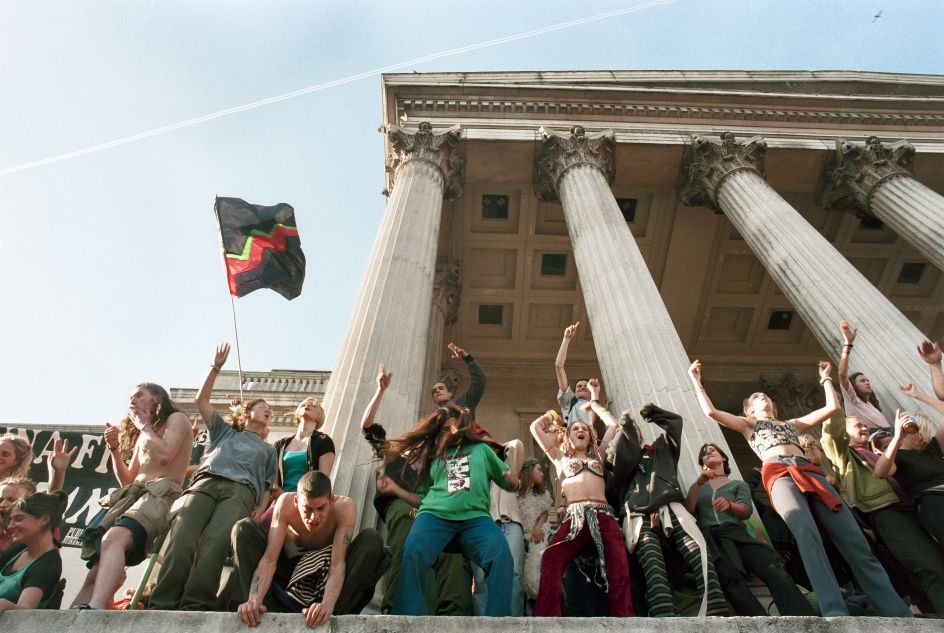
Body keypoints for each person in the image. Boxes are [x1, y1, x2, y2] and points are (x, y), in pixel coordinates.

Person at [688, 358, 912, 617]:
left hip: (809, 470)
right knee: (807, 537)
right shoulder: (749, 425)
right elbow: (712, 413)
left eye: (764, 394)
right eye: (755, 396)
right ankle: (834, 611)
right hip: (778, 472)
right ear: (748, 410)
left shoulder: (791, 424)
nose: (762, 395)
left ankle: (895, 610)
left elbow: (831, 407)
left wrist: (826, 378)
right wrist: (696, 381)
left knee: (853, 539)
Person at [149, 343, 277, 611]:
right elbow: (201, 401)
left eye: (270, 410)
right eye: (263, 406)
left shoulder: (268, 449)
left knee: (215, 546)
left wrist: (260, 508)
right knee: (182, 537)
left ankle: (196, 604)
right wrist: (215, 368)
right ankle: (161, 602)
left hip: (240, 493)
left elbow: (267, 485)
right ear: (248, 411)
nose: (268, 410)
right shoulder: (225, 431)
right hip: (205, 483)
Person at [382, 404, 519, 617]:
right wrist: (396, 490)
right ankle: (405, 617)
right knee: (413, 551)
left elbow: (509, 483)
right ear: (439, 433)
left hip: (475, 519)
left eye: (457, 427)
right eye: (447, 428)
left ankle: (498, 622)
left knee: (501, 557)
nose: (453, 431)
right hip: (435, 516)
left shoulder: (482, 450)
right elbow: (422, 498)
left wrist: (513, 481)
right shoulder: (433, 458)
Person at [361, 364, 470, 615]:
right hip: (401, 509)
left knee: (451, 549)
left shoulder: (435, 464)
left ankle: (451, 612)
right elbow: (367, 426)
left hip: (429, 508)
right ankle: (394, 607)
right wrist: (380, 391)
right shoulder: (392, 456)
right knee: (406, 540)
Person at [72, 383, 192, 610]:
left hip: (160, 493)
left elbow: (166, 455)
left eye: (139, 395)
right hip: (133, 495)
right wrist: (115, 449)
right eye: (131, 397)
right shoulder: (144, 433)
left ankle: (96, 607)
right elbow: (129, 480)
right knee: (95, 572)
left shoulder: (176, 419)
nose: (132, 401)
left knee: (113, 539)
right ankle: (70, 618)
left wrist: (145, 428)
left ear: (157, 398)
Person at [606, 400, 726, 617]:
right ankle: (663, 616)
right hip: (638, 515)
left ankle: (716, 607)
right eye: (629, 430)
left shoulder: (661, 449)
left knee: (698, 552)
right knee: (653, 566)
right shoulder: (620, 461)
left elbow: (675, 424)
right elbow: (620, 452)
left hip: (672, 507)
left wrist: (653, 413)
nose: (634, 431)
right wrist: (625, 425)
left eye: (636, 428)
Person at [529, 378, 633, 617]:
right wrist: (552, 416)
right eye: (575, 429)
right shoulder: (560, 459)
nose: (579, 430)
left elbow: (614, 425)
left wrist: (594, 405)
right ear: (568, 436)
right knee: (552, 559)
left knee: (619, 564)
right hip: (574, 516)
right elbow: (535, 428)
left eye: (584, 429)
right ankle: (546, 619)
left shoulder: (598, 455)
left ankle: (625, 619)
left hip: (603, 514)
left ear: (590, 435)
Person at [232, 471, 389, 628]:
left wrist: (327, 605)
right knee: (243, 528)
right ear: (296, 501)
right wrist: (254, 598)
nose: (314, 517)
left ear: (332, 500)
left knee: (371, 539)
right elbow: (269, 560)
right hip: (286, 576)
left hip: (324, 581)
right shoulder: (285, 503)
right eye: (307, 509)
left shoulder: (344, 507)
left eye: (321, 508)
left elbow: (337, 565)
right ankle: (258, 610)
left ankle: (327, 616)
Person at [822, 411, 944, 613]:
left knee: (936, 562)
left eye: (864, 424)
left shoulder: (880, 452)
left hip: (911, 509)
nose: (863, 427)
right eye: (856, 425)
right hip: (887, 513)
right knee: (929, 566)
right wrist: (831, 388)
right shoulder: (845, 455)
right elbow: (832, 434)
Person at [688, 443, 813, 616]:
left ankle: (800, 617)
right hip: (713, 539)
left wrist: (730, 505)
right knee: (731, 582)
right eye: (704, 453)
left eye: (712, 449)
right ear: (703, 464)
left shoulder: (738, 484)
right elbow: (689, 510)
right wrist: (699, 482)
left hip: (737, 533)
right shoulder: (699, 487)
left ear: (723, 458)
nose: (708, 452)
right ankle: (758, 623)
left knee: (773, 569)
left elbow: (746, 510)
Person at [874, 395, 944, 548]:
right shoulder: (898, 456)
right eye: (919, 433)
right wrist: (897, 438)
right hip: (935, 504)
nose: (923, 439)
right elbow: (880, 472)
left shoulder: (933, 448)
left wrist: (919, 396)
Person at [0, 492, 67, 613]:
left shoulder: (48, 564)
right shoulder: (18, 548)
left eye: (18, 519)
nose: (10, 526)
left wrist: (6, 605)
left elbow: (24, 610)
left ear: (44, 520)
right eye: (9, 520)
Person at [272, 398, 335, 494]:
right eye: (303, 405)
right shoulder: (279, 445)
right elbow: (274, 483)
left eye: (313, 406)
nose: (307, 406)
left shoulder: (323, 441)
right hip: (281, 498)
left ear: (319, 416)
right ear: (297, 413)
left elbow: (323, 481)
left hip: (308, 499)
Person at [837, 321, 889, 429]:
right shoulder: (852, 399)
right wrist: (848, 344)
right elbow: (842, 374)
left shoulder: (870, 405)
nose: (867, 382)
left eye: (867, 380)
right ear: (853, 386)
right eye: (862, 381)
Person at [518, 457, 553, 604]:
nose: (542, 474)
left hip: (539, 537)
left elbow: (544, 512)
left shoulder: (543, 494)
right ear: (529, 470)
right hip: (519, 537)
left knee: (536, 576)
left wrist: (538, 526)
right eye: (539, 470)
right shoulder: (516, 492)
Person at [553, 323, 595, 429]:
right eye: (579, 386)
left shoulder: (598, 406)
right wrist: (566, 339)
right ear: (574, 393)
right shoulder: (570, 401)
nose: (582, 387)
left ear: (592, 392)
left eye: (586, 386)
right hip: (573, 440)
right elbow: (559, 366)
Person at [431, 342, 486, 421]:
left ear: (450, 394)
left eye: (441, 388)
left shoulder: (464, 402)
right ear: (434, 400)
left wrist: (467, 358)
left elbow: (480, 380)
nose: (437, 391)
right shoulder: (433, 419)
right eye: (434, 391)